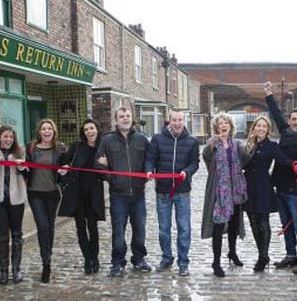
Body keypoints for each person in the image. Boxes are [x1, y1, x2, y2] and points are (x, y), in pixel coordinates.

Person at [263, 82, 297, 274]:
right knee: (286, 225)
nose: (295, 122)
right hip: (280, 187)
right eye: (293, 118)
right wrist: (268, 94)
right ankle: (291, 256)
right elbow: (276, 112)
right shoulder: (284, 132)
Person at [96, 107, 151, 276]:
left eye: (127, 116)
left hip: (138, 193)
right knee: (118, 230)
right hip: (118, 194)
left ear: (132, 119)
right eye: (121, 117)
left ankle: (139, 259)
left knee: (139, 229)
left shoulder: (142, 139)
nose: (125, 119)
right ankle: (117, 262)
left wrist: (148, 172)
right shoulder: (107, 141)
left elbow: (150, 159)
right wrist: (112, 178)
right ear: (116, 120)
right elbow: (98, 164)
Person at [146, 109, 199, 276]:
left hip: (182, 191)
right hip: (162, 191)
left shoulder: (192, 141)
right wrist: (149, 170)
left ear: (184, 121)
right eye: (174, 120)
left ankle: (183, 261)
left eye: (180, 120)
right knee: (164, 228)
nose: (177, 123)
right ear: (169, 121)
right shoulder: (157, 139)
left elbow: (195, 163)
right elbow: (150, 159)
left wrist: (187, 172)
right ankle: (167, 257)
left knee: (184, 228)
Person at [244, 115, 292, 272]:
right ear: (254, 128)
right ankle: (262, 254)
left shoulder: (272, 146)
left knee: (263, 222)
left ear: (268, 129)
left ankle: (263, 257)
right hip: (248, 184)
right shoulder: (248, 145)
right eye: (258, 126)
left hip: (263, 185)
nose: (261, 129)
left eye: (264, 126)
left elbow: (284, 161)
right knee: (252, 221)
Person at [201, 113, 247, 277]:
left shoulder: (237, 144)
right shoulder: (213, 144)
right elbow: (206, 156)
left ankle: (232, 252)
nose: (223, 125)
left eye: (226, 122)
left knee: (234, 224)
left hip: (236, 189)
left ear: (230, 126)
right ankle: (216, 261)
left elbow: (246, 156)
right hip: (220, 190)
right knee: (218, 225)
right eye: (220, 123)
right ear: (216, 127)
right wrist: (211, 145)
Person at [58, 119, 105, 274]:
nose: (89, 132)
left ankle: (95, 257)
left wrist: (106, 163)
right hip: (77, 193)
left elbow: (110, 168)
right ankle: (87, 258)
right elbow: (64, 160)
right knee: (80, 228)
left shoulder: (103, 147)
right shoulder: (77, 147)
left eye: (91, 128)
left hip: (94, 193)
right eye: (86, 130)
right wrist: (64, 166)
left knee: (93, 227)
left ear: (97, 129)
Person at [0, 126, 27, 284]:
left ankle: (16, 270)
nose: (8, 140)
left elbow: (29, 174)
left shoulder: (20, 152)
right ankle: (3, 272)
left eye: (11, 137)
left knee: (17, 235)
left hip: (16, 200)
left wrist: (22, 166)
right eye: (5, 136)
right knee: (2, 236)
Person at [26, 119, 65, 283]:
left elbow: (66, 166)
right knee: (42, 227)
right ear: (39, 132)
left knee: (49, 228)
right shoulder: (31, 148)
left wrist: (65, 171)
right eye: (44, 129)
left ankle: (47, 260)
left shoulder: (59, 149)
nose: (47, 131)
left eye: (49, 129)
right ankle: (46, 262)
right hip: (35, 194)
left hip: (52, 194)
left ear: (53, 132)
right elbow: (25, 168)